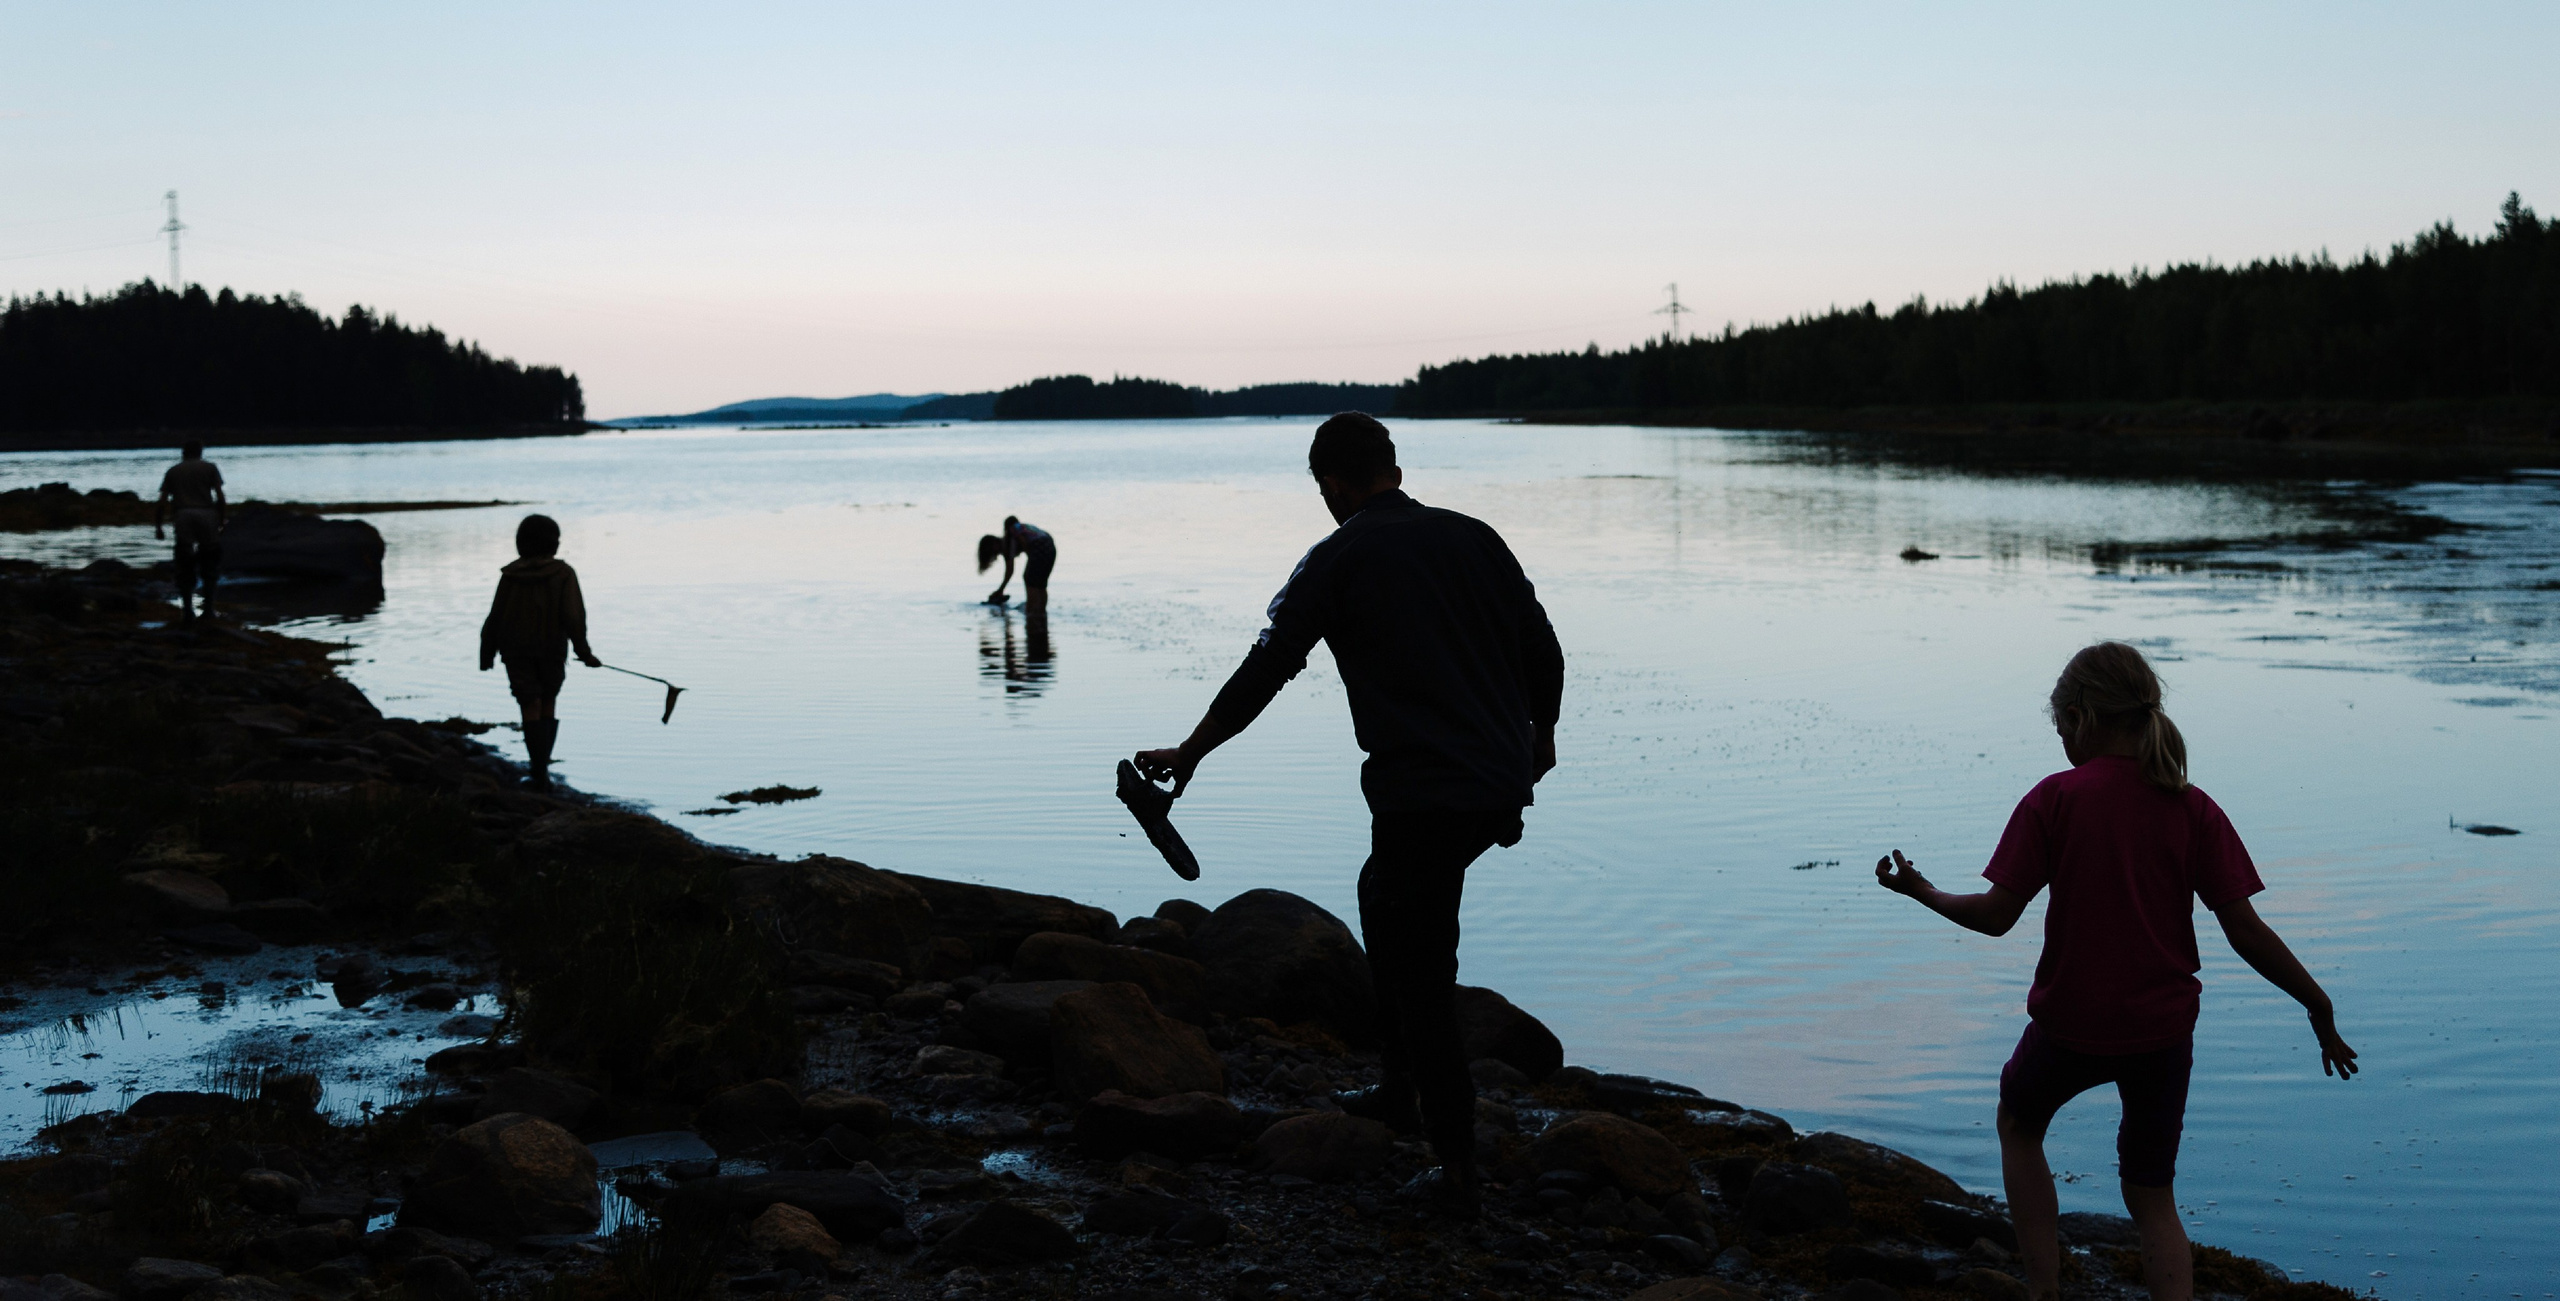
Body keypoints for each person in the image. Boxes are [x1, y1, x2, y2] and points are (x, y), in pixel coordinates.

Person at [1136, 412, 1564, 1218]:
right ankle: (1402, 1088)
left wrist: (1193, 749)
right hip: (1492, 780)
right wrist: (1541, 735)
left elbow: (1270, 664)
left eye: (1323, 487)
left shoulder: (1338, 555)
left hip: (1424, 788)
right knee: (1388, 900)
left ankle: (1457, 1168)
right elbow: (1544, 649)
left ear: (1331, 481)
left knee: (1417, 961)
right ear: (1392, 467)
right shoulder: (1476, 536)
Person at [1874, 641, 2357, 1301]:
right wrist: (2317, 1004)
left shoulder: (2055, 799)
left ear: (2079, 717)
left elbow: (1995, 916)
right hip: (2160, 1031)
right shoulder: (2193, 807)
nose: (2061, 742)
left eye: (2060, 728)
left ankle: (2045, 1289)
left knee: (2019, 1123)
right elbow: (2245, 928)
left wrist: (1923, 891)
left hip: (2071, 1023)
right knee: (2152, 1195)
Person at [478, 514, 600, 790]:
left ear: (521, 543)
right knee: (547, 700)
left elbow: (495, 617)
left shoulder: (511, 575)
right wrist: (584, 652)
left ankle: (537, 770)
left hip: (516, 650)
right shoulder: (563, 574)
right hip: (552, 650)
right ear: (553, 543)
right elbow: (573, 616)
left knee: (528, 703)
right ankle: (542, 769)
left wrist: (487, 652)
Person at [153, 441, 226, 619]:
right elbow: (220, 496)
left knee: (184, 561)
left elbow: (163, 500)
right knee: (210, 560)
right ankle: (208, 608)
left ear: (183, 453)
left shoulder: (173, 471)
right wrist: (222, 519)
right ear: (200, 452)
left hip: (183, 514)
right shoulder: (210, 468)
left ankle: (187, 609)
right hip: (206, 513)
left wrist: (159, 525)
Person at [978, 515, 1056, 612]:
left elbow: (1023, 541)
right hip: (1050, 545)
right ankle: (1041, 610)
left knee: (1029, 578)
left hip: (1039, 546)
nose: (995, 555)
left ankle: (1032, 610)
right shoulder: (1010, 540)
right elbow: (1009, 572)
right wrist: (1001, 589)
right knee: (1040, 584)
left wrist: (1030, 557)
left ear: (993, 544)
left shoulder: (1008, 541)